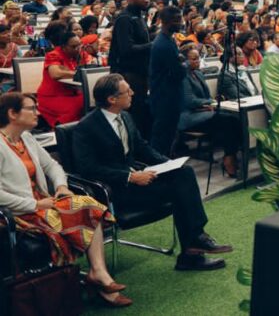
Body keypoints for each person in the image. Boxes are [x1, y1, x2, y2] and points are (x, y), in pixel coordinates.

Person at [73, 74, 233, 271]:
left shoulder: (125, 117)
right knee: (180, 191)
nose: (132, 93)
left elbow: (143, 148)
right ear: (112, 99)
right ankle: (192, 251)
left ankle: (195, 241)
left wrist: (170, 163)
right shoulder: (86, 127)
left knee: (183, 173)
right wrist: (130, 177)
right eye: (127, 91)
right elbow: (87, 168)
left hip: (138, 181)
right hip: (115, 191)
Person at [0, 92, 130, 306]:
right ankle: (101, 286)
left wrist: (61, 185)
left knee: (88, 206)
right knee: (70, 215)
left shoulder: (26, 138)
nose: (38, 113)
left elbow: (52, 166)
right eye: (32, 108)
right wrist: (34, 204)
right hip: (17, 213)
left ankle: (98, 272)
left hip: (43, 202)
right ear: (12, 114)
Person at [180, 49, 240, 177]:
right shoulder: (182, 76)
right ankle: (229, 159)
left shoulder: (198, 74)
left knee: (234, 119)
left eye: (198, 58)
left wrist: (208, 105)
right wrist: (209, 102)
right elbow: (189, 101)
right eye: (193, 58)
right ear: (184, 60)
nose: (197, 61)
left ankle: (231, 155)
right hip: (190, 117)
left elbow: (204, 98)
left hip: (205, 111)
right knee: (227, 121)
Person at [109, 0, 155, 138]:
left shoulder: (139, 17)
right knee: (133, 116)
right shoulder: (125, 18)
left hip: (140, 73)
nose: (147, 1)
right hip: (127, 75)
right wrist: (152, 45)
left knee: (142, 113)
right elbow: (126, 49)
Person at [149, 7, 187, 156]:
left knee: (167, 136)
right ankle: (158, 170)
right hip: (165, 96)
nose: (180, 22)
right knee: (162, 138)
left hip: (168, 95)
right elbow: (178, 72)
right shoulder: (163, 44)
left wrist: (182, 63)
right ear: (166, 21)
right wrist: (185, 64)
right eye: (176, 19)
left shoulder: (168, 39)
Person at [36, 27, 85, 128]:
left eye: (79, 45)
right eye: (74, 46)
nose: (78, 49)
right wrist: (78, 73)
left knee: (93, 100)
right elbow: (55, 74)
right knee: (76, 107)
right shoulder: (53, 55)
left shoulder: (75, 55)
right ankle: (62, 132)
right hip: (52, 96)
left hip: (70, 93)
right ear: (63, 47)